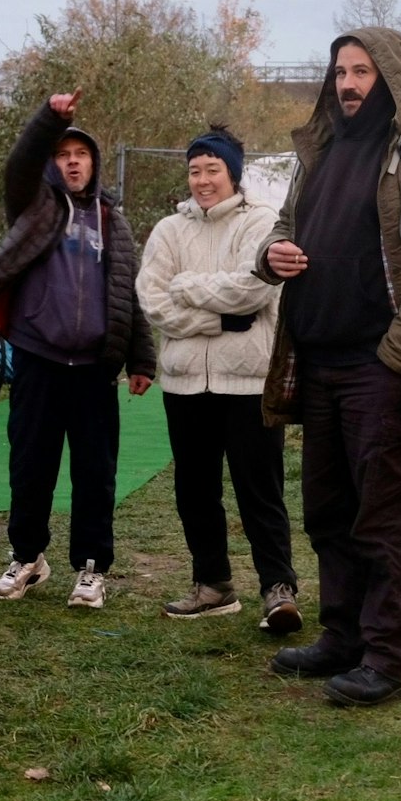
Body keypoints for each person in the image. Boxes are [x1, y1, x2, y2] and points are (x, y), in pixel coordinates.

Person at [255, 27, 401, 707]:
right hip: (318, 361)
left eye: (362, 71)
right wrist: (271, 254)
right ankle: (342, 636)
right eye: (340, 72)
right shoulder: (322, 151)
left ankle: (386, 655)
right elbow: (282, 227)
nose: (348, 84)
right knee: (328, 510)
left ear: (392, 77)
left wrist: (396, 357)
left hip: (381, 366)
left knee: (383, 516)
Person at [0, 91, 155, 609]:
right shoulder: (35, 205)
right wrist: (50, 118)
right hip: (38, 359)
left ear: (94, 164)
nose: (72, 162)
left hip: (94, 369)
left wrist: (142, 358)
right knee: (31, 467)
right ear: (52, 163)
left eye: (81, 154)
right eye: (63, 154)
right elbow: (20, 164)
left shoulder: (114, 221)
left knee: (95, 474)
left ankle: (91, 569)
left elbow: (126, 292)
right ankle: (27, 558)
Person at [137, 126, 299, 631]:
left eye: (213, 169)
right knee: (194, 490)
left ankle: (278, 589)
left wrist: (186, 285)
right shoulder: (168, 230)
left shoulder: (262, 223)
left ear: (233, 173)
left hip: (248, 382)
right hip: (185, 383)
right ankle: (213, 585)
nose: (203, 180)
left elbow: (255, 289)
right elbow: (153, 300)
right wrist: (217, 320)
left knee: (260, 489)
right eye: (195, 170)